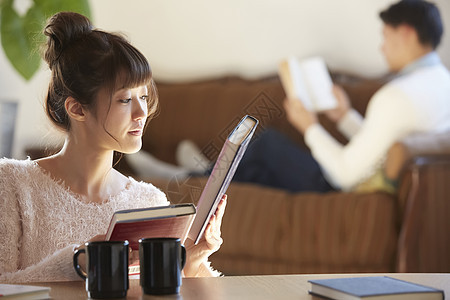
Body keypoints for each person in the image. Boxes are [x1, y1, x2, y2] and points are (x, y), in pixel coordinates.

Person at [0, 12, 226, 283]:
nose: (142, 111)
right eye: (125, 100)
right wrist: (77, 262)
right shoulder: (12, 184)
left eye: (143, 96)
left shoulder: (148, 202)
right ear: (77, 108)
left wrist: (192, 262)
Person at [235, 0, 450, 193]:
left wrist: (309, 127)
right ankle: (209, 187)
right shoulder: (442, 83)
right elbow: (381, 145)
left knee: (267, 144)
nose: (382, 48)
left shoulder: (396, 96)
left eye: (385, 36)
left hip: (353, 192)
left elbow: (344, 175)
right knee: (256, 173)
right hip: (393, 186)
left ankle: (204, 186)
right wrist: (344, 116)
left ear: (405, 33)